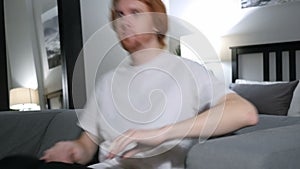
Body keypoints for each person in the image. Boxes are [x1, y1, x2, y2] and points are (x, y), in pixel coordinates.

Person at [0, 0, 258, 169]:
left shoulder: (187, 71)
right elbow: (87, 144)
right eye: (119, 15)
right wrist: (73, 150)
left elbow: (245, 112)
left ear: (157, 21)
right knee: (14, 162)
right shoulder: (106, 82)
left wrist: (162, 132)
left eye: (135, 12)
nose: (124, 21)